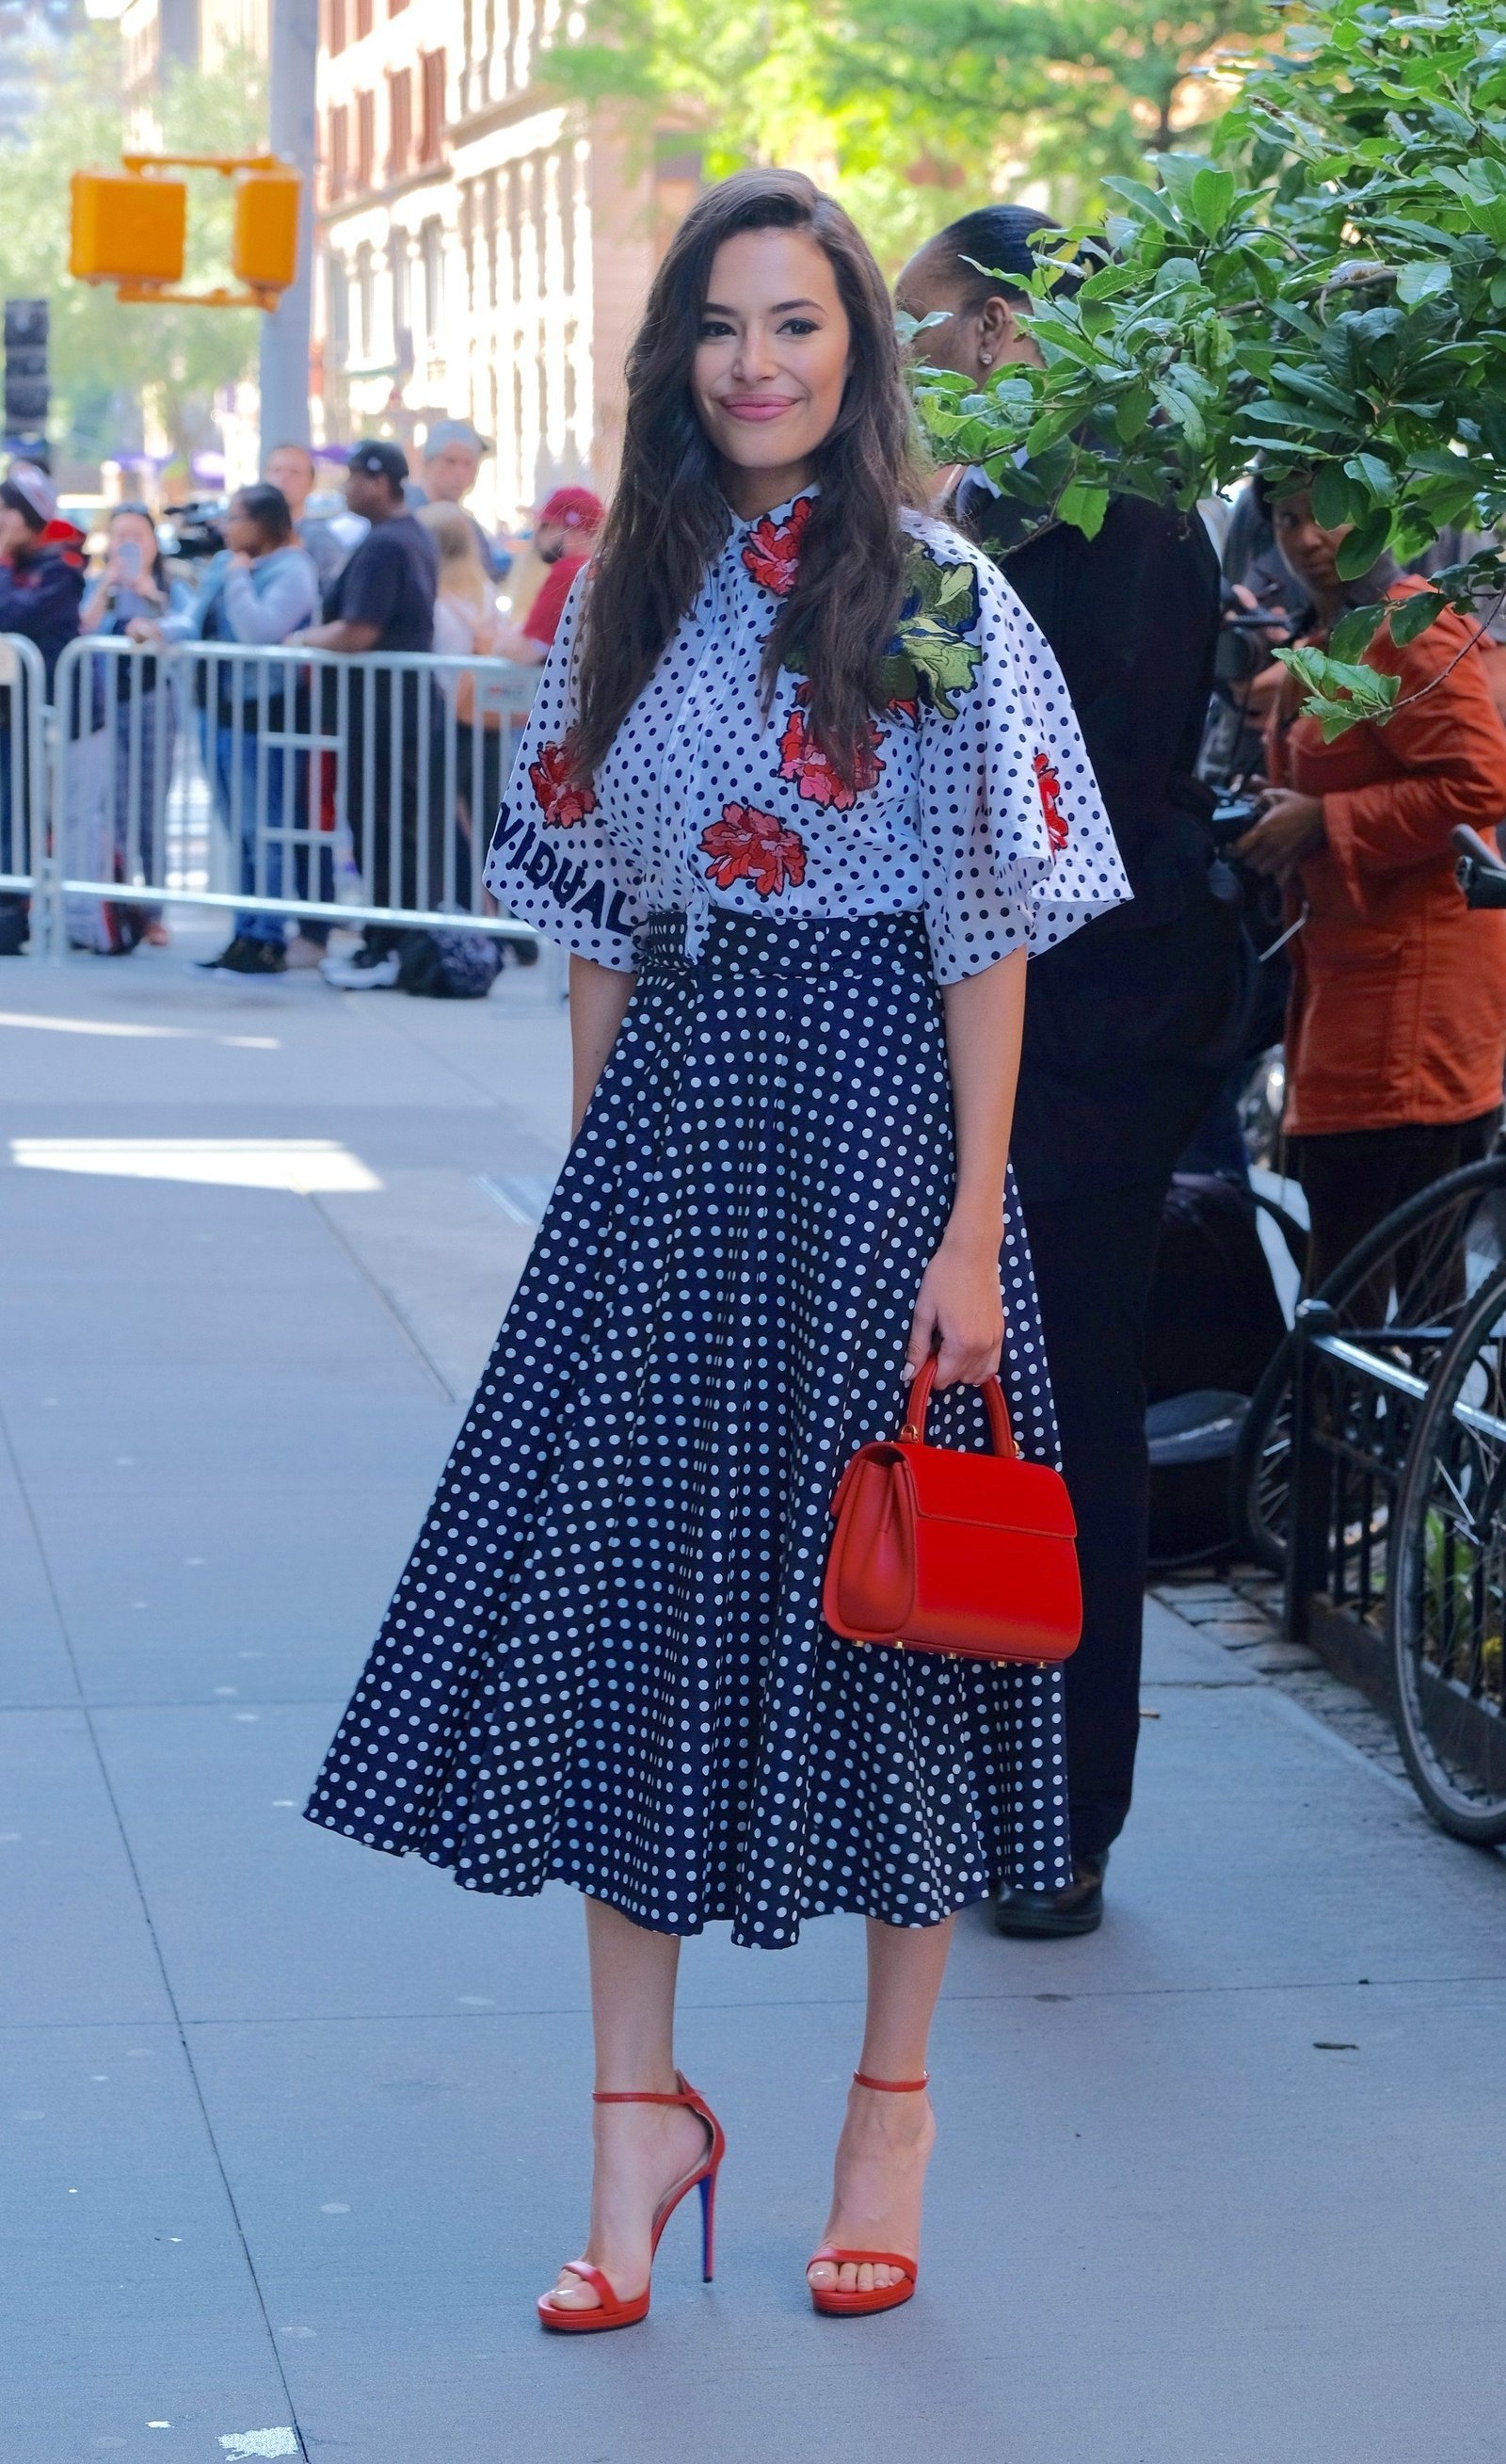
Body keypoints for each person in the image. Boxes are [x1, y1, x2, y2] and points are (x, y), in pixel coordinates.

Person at [305, 168, 1128, 2328]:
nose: (755, 361)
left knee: (899, 1621)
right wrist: (592, 1180)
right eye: (720, 325)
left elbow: (984, 924)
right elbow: (587, 923)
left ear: (857, 349)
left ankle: (889, 2103)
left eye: (796, 323)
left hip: (875, 1129)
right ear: (678, 354)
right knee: (621, 1615)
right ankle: (633, 2123)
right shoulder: (627, 590)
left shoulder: (931, 590)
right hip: (672, 1133)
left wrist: (970, 1222)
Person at [895, 206, 1243, 1937]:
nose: (908, 363)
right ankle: (1001, 1788)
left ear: (1008, 329)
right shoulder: (1019, 516)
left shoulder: (1115, 521)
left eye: (921, 324)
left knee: (1065, 1418)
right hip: (1033, 1026)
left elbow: (1058, 811)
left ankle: (1061, 1815)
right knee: (998, 1406)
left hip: (1089, 1038)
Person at [1235, 482, 1506, 1289]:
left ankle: (1378, 1418)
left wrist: (1324, 820)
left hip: (1414, 999)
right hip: (1350, 985)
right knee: (1361, 1272)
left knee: (1374, 1279)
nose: (1306, 537)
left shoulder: (1408, 623)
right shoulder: (1331, 637)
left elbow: (1480, 782)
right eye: (1286, 519)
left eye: (1325, 510)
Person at [141, 482, 319, 976]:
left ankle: (267, 936)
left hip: (266, 720)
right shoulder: (225, 563)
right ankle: (243, 932)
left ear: (264, 523)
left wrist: (240, 576)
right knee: (236, 830)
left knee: (265, 830)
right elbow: (194, 620)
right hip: (217, 715)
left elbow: (258, 631)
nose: (226, 527)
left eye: (236, 517)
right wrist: (158, 630)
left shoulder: (292, 569)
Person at [288, 440, 441, 990]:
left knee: (383, 831)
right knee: (391, 828)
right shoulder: (408, 535)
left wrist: (302, 638)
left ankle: (386, 946)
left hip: (383, 714)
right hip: (395, 710)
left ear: (381, 481)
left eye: (354, 477)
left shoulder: (386, 544)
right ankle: (392, 942)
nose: (346, 487)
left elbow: (359, 631)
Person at [78, 503, 182, 950]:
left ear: (153, 542)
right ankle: (120, 909)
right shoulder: (98, 584)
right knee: (113, 808)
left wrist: (147, 594)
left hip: (153, 702)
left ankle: (155, 912)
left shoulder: (171, 585)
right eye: (119, 535)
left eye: (137, 535)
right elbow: (82, 625)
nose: (128, 544)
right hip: (106, 705)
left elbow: (184, 624)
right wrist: (107, 584)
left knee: (149, 809)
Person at [0, 463, 85, 955]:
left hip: (39, 713)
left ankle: (15, 911)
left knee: (21, 812)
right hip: (9, 710)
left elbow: (12, 615)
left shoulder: (60, 565)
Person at [492, 485, 604, 663]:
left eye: (547, 526)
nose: (537, 534)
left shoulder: (571, 570)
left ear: (573, 529)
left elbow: (525, 652)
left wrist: (497, 642)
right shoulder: (602, 564)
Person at [416, 417, 508, 581]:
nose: (460, 473)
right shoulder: (408, 517)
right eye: (450, 461)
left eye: (468, 464)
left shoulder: (469, 526)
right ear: (427, 463)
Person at [264, 442, 349, 603]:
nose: (284, 478)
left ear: (311, 483)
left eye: (294, 472)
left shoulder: (319, 539)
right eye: (277, 470)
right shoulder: (249, 533)